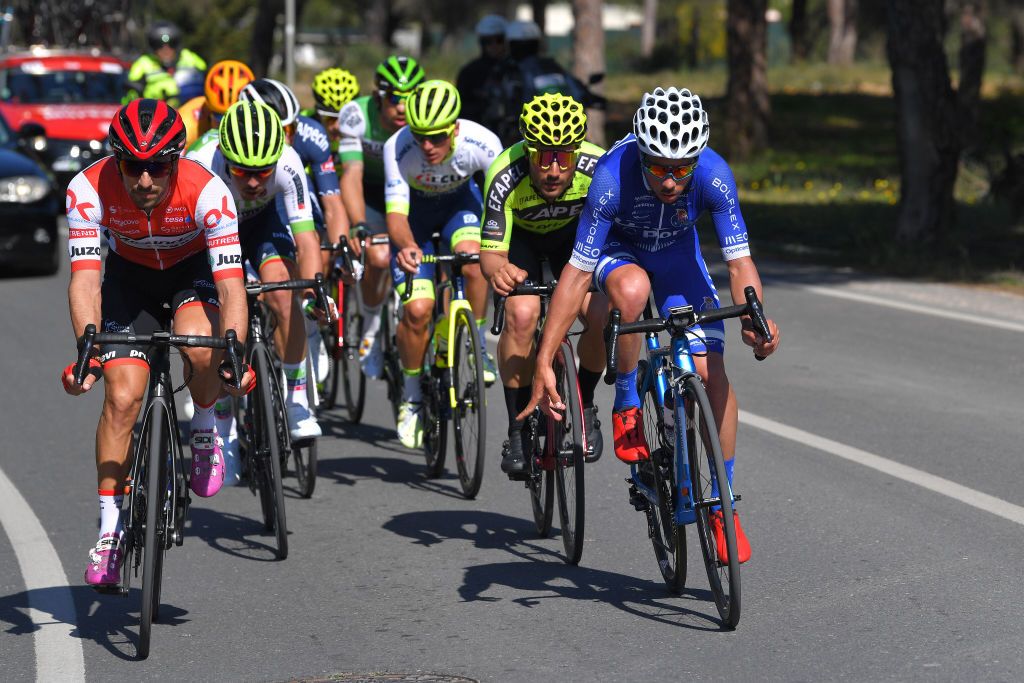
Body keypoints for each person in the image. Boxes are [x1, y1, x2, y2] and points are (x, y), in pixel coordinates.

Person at [520, 87, 781, 565]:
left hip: (678, 256)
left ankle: (723, 504)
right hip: (618, 254)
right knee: (635, 291)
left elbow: (739, 263)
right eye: (658, 166)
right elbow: (576, 275)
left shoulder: (715, 175)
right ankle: (625, 400)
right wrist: (543, 358)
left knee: (710, 371)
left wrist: (756, 322)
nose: (669, 179)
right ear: (641, 152)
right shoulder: (610, 179)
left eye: (681, 168)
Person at [61, 99, 254, 586]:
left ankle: (207, 423)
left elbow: (231, 285)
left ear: (177, 160)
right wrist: (87, 348)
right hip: (130, 281)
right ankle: (109, 532)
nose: (144, 180)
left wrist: (234, 350)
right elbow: (85, 281)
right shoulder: (87, 188)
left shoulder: (210, 192)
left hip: (192, 276)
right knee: (122, 397)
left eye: (158, 167)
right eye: (132, 166)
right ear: (115, 160)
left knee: (203, 348)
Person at [479, 93, 607, 475]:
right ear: (528, 152)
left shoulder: (598, 167)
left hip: (575, 244)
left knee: (599, 311)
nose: (553, 171)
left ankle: (584, 402)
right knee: (521, 313)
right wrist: (498, 272)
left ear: (577, 152)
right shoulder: (504, 172)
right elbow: (490, 254)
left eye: (564, 158)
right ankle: (518, 428)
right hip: (523, 244)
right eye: (543, 158)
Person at [187, 100, 325, 445]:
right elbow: (188, 244)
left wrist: (312, 295)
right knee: (218, 318)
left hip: (263, 224)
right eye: (242, 171)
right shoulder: (199, 165)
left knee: (282, 290)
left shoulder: (289, 161)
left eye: (263, 171)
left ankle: (296, 400)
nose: (252, 182)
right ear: (224, 155)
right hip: (212, 233)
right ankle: (224, 425)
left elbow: (307, 239)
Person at [383, 79, 502, 448]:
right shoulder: (399, 147)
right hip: (414, 222)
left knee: (474, 257)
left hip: (459, 209)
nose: (428, 146)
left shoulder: (481, 142)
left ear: (454, 128)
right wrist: (405, 247)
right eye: (421, 137)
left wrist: (499, 247)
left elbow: (502, 202)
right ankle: (413, 395)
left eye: (436, 137)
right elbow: (396, 214)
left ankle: (477, 342)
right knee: (419, 310)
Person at [239, 77, 352, 385]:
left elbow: (332, 204)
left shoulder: (311, 135)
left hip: (292, 195)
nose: (287, 138)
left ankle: (308, 325)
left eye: (291, 129)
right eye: (281, 130)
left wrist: (340, 247)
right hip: (251, 204)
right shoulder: (236, 140)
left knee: (314, 246)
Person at [336, 56, 425, 379]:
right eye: (394, 98)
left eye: (410, 98)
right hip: (370, 192)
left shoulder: (426, 117)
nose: (402, 108)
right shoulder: (356, 115)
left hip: (412, 191)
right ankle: (372, 327)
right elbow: (351, 174)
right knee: (376, 256)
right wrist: (359, 224)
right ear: (379, 98)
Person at [124, 20, 207, 106]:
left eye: (172, 44)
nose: (166, 50)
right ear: (152, 47)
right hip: (157, 114)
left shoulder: (190, 58)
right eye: (159, 45)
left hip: (192, 112)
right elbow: (130, 98)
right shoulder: (143, 64)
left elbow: (209, 78)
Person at [179, 60, 255, 148]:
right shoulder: (186, 124)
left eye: (237, 118)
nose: (224, 125)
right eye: (218, 116)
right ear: (208, 106)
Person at [456, 15, 508, 125]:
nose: (494, 45)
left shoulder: (516, 69)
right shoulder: (468, 73)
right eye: (488, 41)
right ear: (481, 42)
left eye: (499, 40)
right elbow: (461, 110)